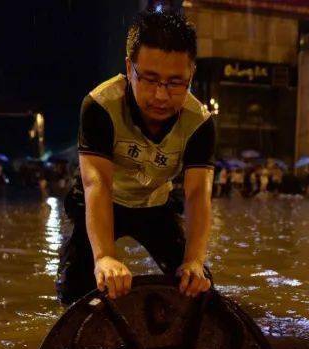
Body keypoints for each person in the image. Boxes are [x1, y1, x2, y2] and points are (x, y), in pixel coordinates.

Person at [57, 9, 215, 305]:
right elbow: (97, 183)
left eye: (175, 82)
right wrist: (104, 257)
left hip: (156, 204)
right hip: (104, 200)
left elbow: (197, 193)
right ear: (130, 68)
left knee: (197, 286)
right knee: (73, 293)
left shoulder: (200, 122)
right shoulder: (100, 105)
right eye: (150, 79)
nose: (161, 96)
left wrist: (194, 260)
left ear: (191, 74)